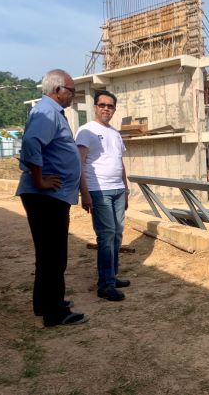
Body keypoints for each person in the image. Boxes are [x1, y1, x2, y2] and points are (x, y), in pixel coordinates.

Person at [16, 69, 88, 327]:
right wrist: (40, 180)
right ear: (58, 90)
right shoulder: (46, 112)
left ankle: (44, 303)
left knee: (47, 254)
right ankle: (54, 313)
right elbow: (31, 143)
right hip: (46, 195)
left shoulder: (50, 112)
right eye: (71, 91)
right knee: (54, 256)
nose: (73, 95)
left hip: (50, 196)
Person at [75, 90, 131, 302]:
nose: (106, 108)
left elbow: (119, 163)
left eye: (110, 106)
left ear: (114, 109)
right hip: (98, 190)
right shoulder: (86, 131)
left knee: (117, 234)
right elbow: (79, 163)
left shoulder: (115, 133)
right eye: (102, 105)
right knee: (106, 236)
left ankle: (111, 276)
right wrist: (84, 193)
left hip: (118, 190)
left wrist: (125, 190)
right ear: (95, 107)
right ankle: (105, 285)